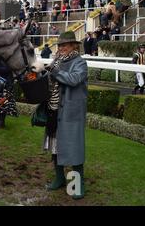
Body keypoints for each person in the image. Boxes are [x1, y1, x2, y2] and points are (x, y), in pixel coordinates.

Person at [44, 31, 88, 200]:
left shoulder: (80, 63)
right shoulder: (56, 61)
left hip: (71, 112)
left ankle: (77, 184)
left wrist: (53, 72)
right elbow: (50, 80)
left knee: (74, 148)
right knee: (55, 146)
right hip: (54, 110)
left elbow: (74, 79)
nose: (61, 48)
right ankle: (59, 178)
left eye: (65, 45)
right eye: (60, 45)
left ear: (74, 46)